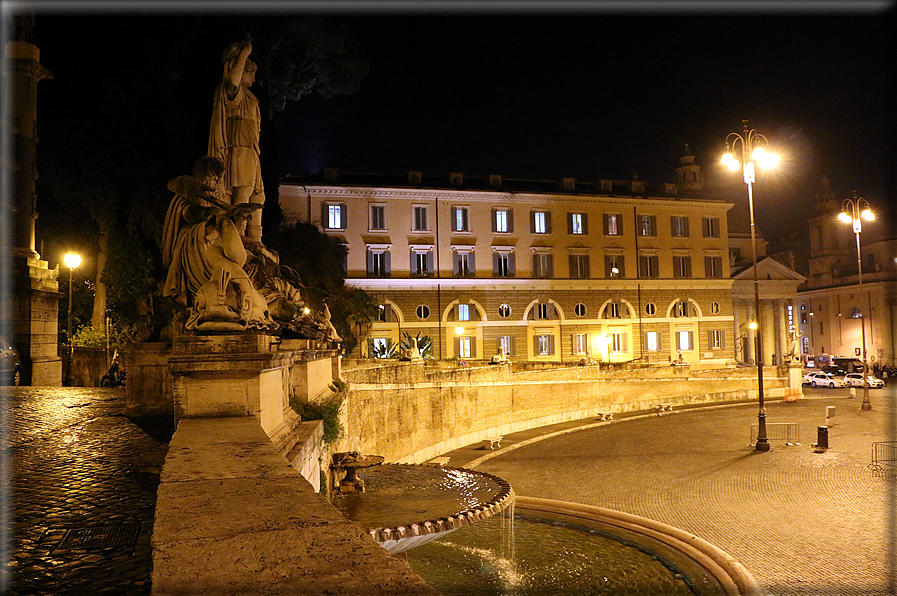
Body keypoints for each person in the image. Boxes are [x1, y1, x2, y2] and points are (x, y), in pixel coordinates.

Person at [208, 39, 266, 241]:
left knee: (259, 196)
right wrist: (244, 55)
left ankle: (256, 240)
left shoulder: (251, 98)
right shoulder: (233, 92)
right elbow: (232, 82)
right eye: (250, 73)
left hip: (252, 151)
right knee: (243, 192)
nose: (253, 77)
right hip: (238, 150)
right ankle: (239, 236)